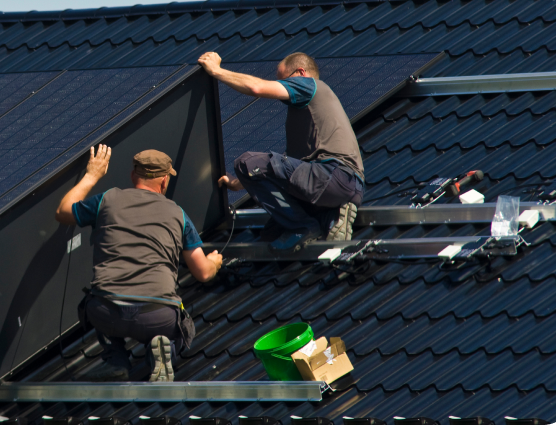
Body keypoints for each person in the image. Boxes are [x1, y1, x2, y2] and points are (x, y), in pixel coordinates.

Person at [55, 145, 223, 382]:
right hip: (157, 316)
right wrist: (215, 262)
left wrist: (91, 175)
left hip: (106, 312)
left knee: (93, 299)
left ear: (134, 176)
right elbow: (203, 273)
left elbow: (63, 211)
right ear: (164, 181)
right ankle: (163, 350)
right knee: (181, 324)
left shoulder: (107, 199)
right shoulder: (178, 214)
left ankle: (116, 360)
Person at [197, 51, 364, 252]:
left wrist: (216, 70)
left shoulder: (310, 85)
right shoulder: (310, 116)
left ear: (301, 72)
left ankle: (305, 226)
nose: (282, 86)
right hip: (339, 185)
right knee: (272, 234)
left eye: (284, 80)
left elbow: (256, 87)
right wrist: (240, 182)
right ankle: (332, 214)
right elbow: (283, 169)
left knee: (246, 162)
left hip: (333, 176)